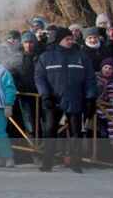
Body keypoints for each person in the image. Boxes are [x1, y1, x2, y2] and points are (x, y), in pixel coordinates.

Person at [35, 26, 97, 173]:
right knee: (50, 131)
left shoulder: (81, 57)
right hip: (53, 101)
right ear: (59, 40)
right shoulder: (46, 57)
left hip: (75, 99)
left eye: (71, 39)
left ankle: (76, 163)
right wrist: (46, 95)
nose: (71, 41)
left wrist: (90, 98)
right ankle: (47, 162)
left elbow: (90, 79)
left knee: (76, 132)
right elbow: (39, 78)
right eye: (67, 39)